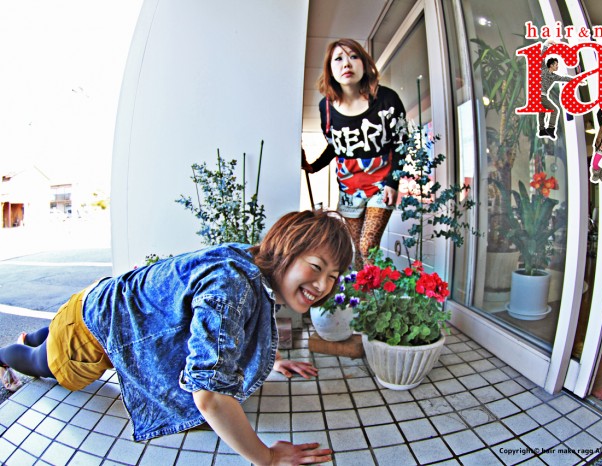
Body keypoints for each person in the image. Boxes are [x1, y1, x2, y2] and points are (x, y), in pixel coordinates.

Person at [0, 210, 353, 466]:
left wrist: (268, 357)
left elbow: (227, 327)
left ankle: (37, 336)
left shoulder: (249, 261)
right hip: (90, 331)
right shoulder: (233, 286)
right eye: (316, 266)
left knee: (54, 334)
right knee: (39, 363)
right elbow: (209, 395)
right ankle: (7, 353)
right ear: (285, 249)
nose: (323, 285)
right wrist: (268, 458)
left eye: (333, 276)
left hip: (100, 302)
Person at [302, 38, 406, 269]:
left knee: (368, 246)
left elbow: (401, 143)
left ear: (364, 63)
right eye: (338, 59)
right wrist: (313, 166)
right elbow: (335, 146)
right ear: (330, 69)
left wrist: (393, 183)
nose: (346, 63)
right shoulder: (325, 107)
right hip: (349, 187)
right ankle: (362, 289)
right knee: (356, 249)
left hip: (381, 184)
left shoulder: (387, 99)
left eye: (353, 56)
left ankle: (380, 290)